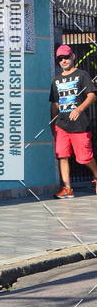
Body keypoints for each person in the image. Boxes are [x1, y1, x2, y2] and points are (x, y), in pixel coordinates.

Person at [50, 44, 97, 197]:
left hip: (80, 125)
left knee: (84, 158)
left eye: (66, 57)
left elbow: (92, 96)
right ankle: (67, 188)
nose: (63, 60)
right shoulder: (56, 80)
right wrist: (52, 123)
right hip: (61, 125)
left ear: (73, 56)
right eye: (60, 59)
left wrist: (79, 109)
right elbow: (55, 104)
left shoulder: (82, 75)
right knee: (62, 155)